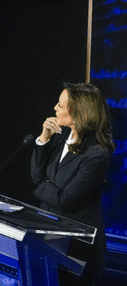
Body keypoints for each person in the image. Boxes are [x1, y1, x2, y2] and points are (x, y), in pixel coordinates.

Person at [32, 82, 114, 286]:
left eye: (60, 105)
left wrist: (41, 183)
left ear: (77, 110)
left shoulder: (96, 154)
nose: (55, 108)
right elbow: (37, 175)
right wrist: (43, 139)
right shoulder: (61, 139)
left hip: (76, 249)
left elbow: (65, 200)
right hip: (48, 240)